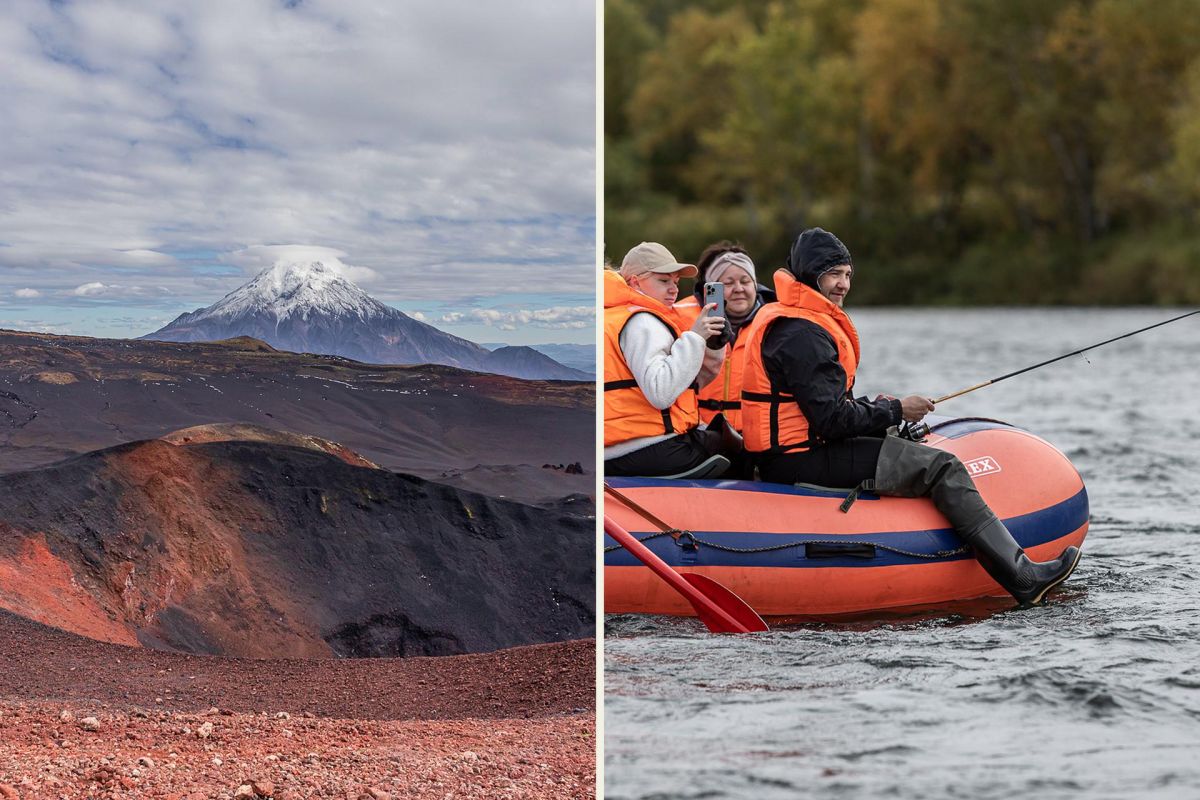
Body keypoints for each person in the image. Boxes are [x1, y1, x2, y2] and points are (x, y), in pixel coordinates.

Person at [738, 227, 1081, 606]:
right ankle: (1022, 576)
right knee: (942, 467)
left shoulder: (795, 318)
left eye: (848, 274)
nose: (843, 285)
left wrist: (883, 410)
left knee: (900, 438)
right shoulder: (801, 333)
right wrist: (897, 409)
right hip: (799, 458)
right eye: (834, 274)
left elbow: (822, 405)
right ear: (809, 274)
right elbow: (831, 421)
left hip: (800, 447)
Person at [604, 242, 727, 477]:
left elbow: (688, 382)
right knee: (741, 452)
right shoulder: (642, 322)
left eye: (676, 282)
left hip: (615, 449)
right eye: (663, 281)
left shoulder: (613, 317)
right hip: (650, 448)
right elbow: (660, 393)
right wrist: (694, 338)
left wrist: (711, 345)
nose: (673, 289)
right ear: (634, 281)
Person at [676, 242, 776, 433]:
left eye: (745, 281)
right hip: (698, 431)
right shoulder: (679, 317)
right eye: (728, 283)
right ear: (712, 289)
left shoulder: (779, 321)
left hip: (759, 434)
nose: (738, 288)